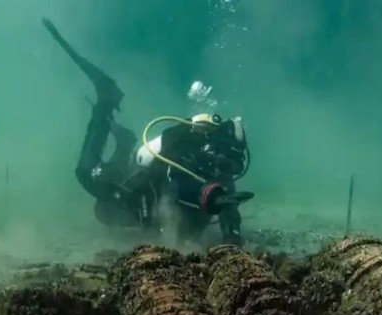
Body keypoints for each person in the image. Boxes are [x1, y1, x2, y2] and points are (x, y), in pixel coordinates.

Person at [43, 18, 253, 245]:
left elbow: (228, 203)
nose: (228, 169)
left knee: (104, 212)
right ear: (217, 144)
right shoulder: (190, 146)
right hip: (140, 183)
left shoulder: (219, 171)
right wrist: (210, 196)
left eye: (233, 163)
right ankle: (107, 98)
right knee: (86, 173)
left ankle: (124, 143)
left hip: (147, 200)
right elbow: (175, 180)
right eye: (227, 159)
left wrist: (232, 235)